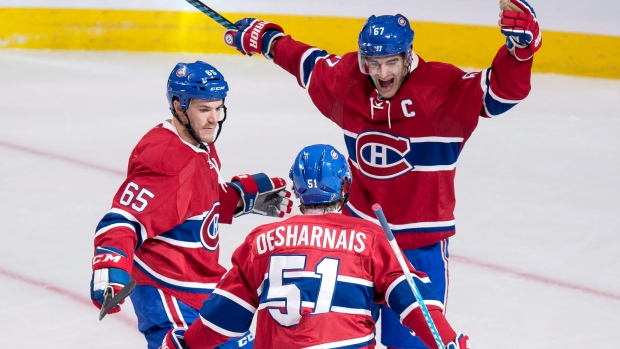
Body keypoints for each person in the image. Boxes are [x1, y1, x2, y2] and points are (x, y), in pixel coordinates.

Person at [220, 1, 541, 348]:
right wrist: (266, 39)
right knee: (333, 340)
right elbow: (307, 62)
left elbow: (500, 93)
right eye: (373, 63)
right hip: (357, 244)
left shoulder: (440, 93)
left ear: (407, 58)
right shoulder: (348, 84)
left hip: (419, 251)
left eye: (390, 62)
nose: (382, 73)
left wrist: (520, 52)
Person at [159, 144, 470, 349]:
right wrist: (450, 341)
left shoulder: (261, 241)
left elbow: (222, 318)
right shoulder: (370, 238)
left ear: (296, 188)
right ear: (345, 186)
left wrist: (186, 344)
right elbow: (416, 304)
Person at [90, 61, 293, 349]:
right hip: (169, 292)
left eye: (218, 108)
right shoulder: (165, 159)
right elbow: (122, 220)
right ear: (178, 106)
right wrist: (109, 265)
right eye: (203, 109)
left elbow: (190, 202)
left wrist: (236, 200)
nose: (214, 119)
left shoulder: (199, 143)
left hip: (203, 288)